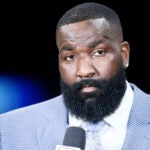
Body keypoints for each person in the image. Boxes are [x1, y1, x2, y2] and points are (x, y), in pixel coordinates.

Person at [0, 2, 150, 150]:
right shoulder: (8, 130)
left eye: (99, 52)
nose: (84, 71)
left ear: (124, 54)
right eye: (70, 57)